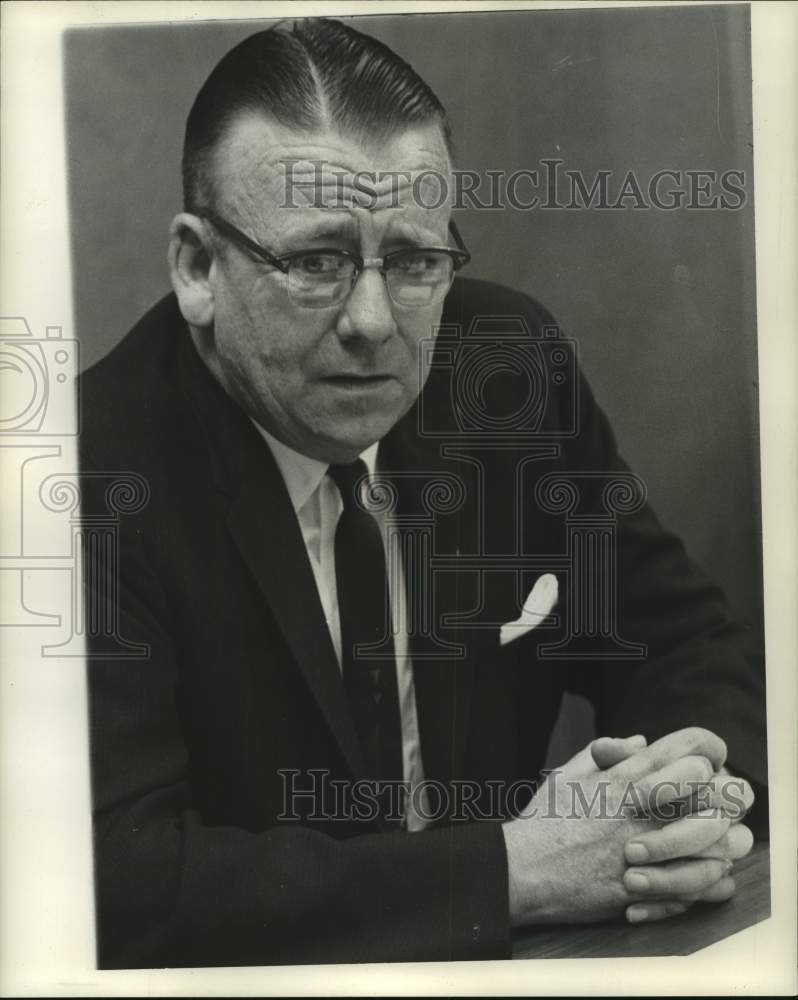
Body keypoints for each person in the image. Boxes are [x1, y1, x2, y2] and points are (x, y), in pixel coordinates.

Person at [78, 18, 767, 969]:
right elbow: (117, 882)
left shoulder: (502, 365)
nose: (372, 322)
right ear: (198, 267)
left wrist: (684, 807)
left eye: (412, 262)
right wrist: (512, 870)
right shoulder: (84, 477)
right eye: (316, 262)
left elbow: (685, 643)